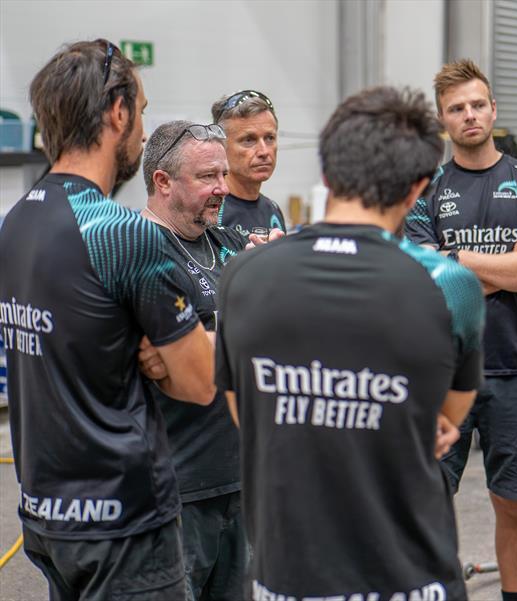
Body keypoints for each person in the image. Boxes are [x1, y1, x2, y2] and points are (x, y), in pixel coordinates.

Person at [216, 86, 485, 600]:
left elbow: (245, 410)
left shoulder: (243, 276)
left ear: (326, 175)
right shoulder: (450, 284)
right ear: (418, 189)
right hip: (410, 576)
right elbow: (446, 416)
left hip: (287, 577)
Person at [0, 40, 214, 600]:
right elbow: (199, 381)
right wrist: (166, 358)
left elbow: (76, 340)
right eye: (141, 111)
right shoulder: (124, 234)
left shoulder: (16, 224)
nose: (143, 130)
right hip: (122, 524)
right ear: (117, 112)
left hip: (46, 517)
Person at [404, 58, 517, 601]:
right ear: (442, 119)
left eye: (477, 104)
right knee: (428, 500)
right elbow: (427, 287)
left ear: (493, 110)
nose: (469, 115)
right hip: (442, 374)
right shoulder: (426, 189)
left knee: (512, 503)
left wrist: (457, 262)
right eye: (457, 108)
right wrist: (504, 265)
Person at [138, 120, 258, 601]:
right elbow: (160, 360)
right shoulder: (140, 248)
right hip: (177, 488)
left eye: (223, 176)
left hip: (240, 476)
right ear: (163, 182)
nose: (223, 189)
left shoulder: (226, 243)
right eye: (208, 177)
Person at [211, 89, 287, 237]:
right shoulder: (210, 211)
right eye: (249, 140)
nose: (264, 151)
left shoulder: (273, 210)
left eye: (270, 138)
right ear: (221, 145)